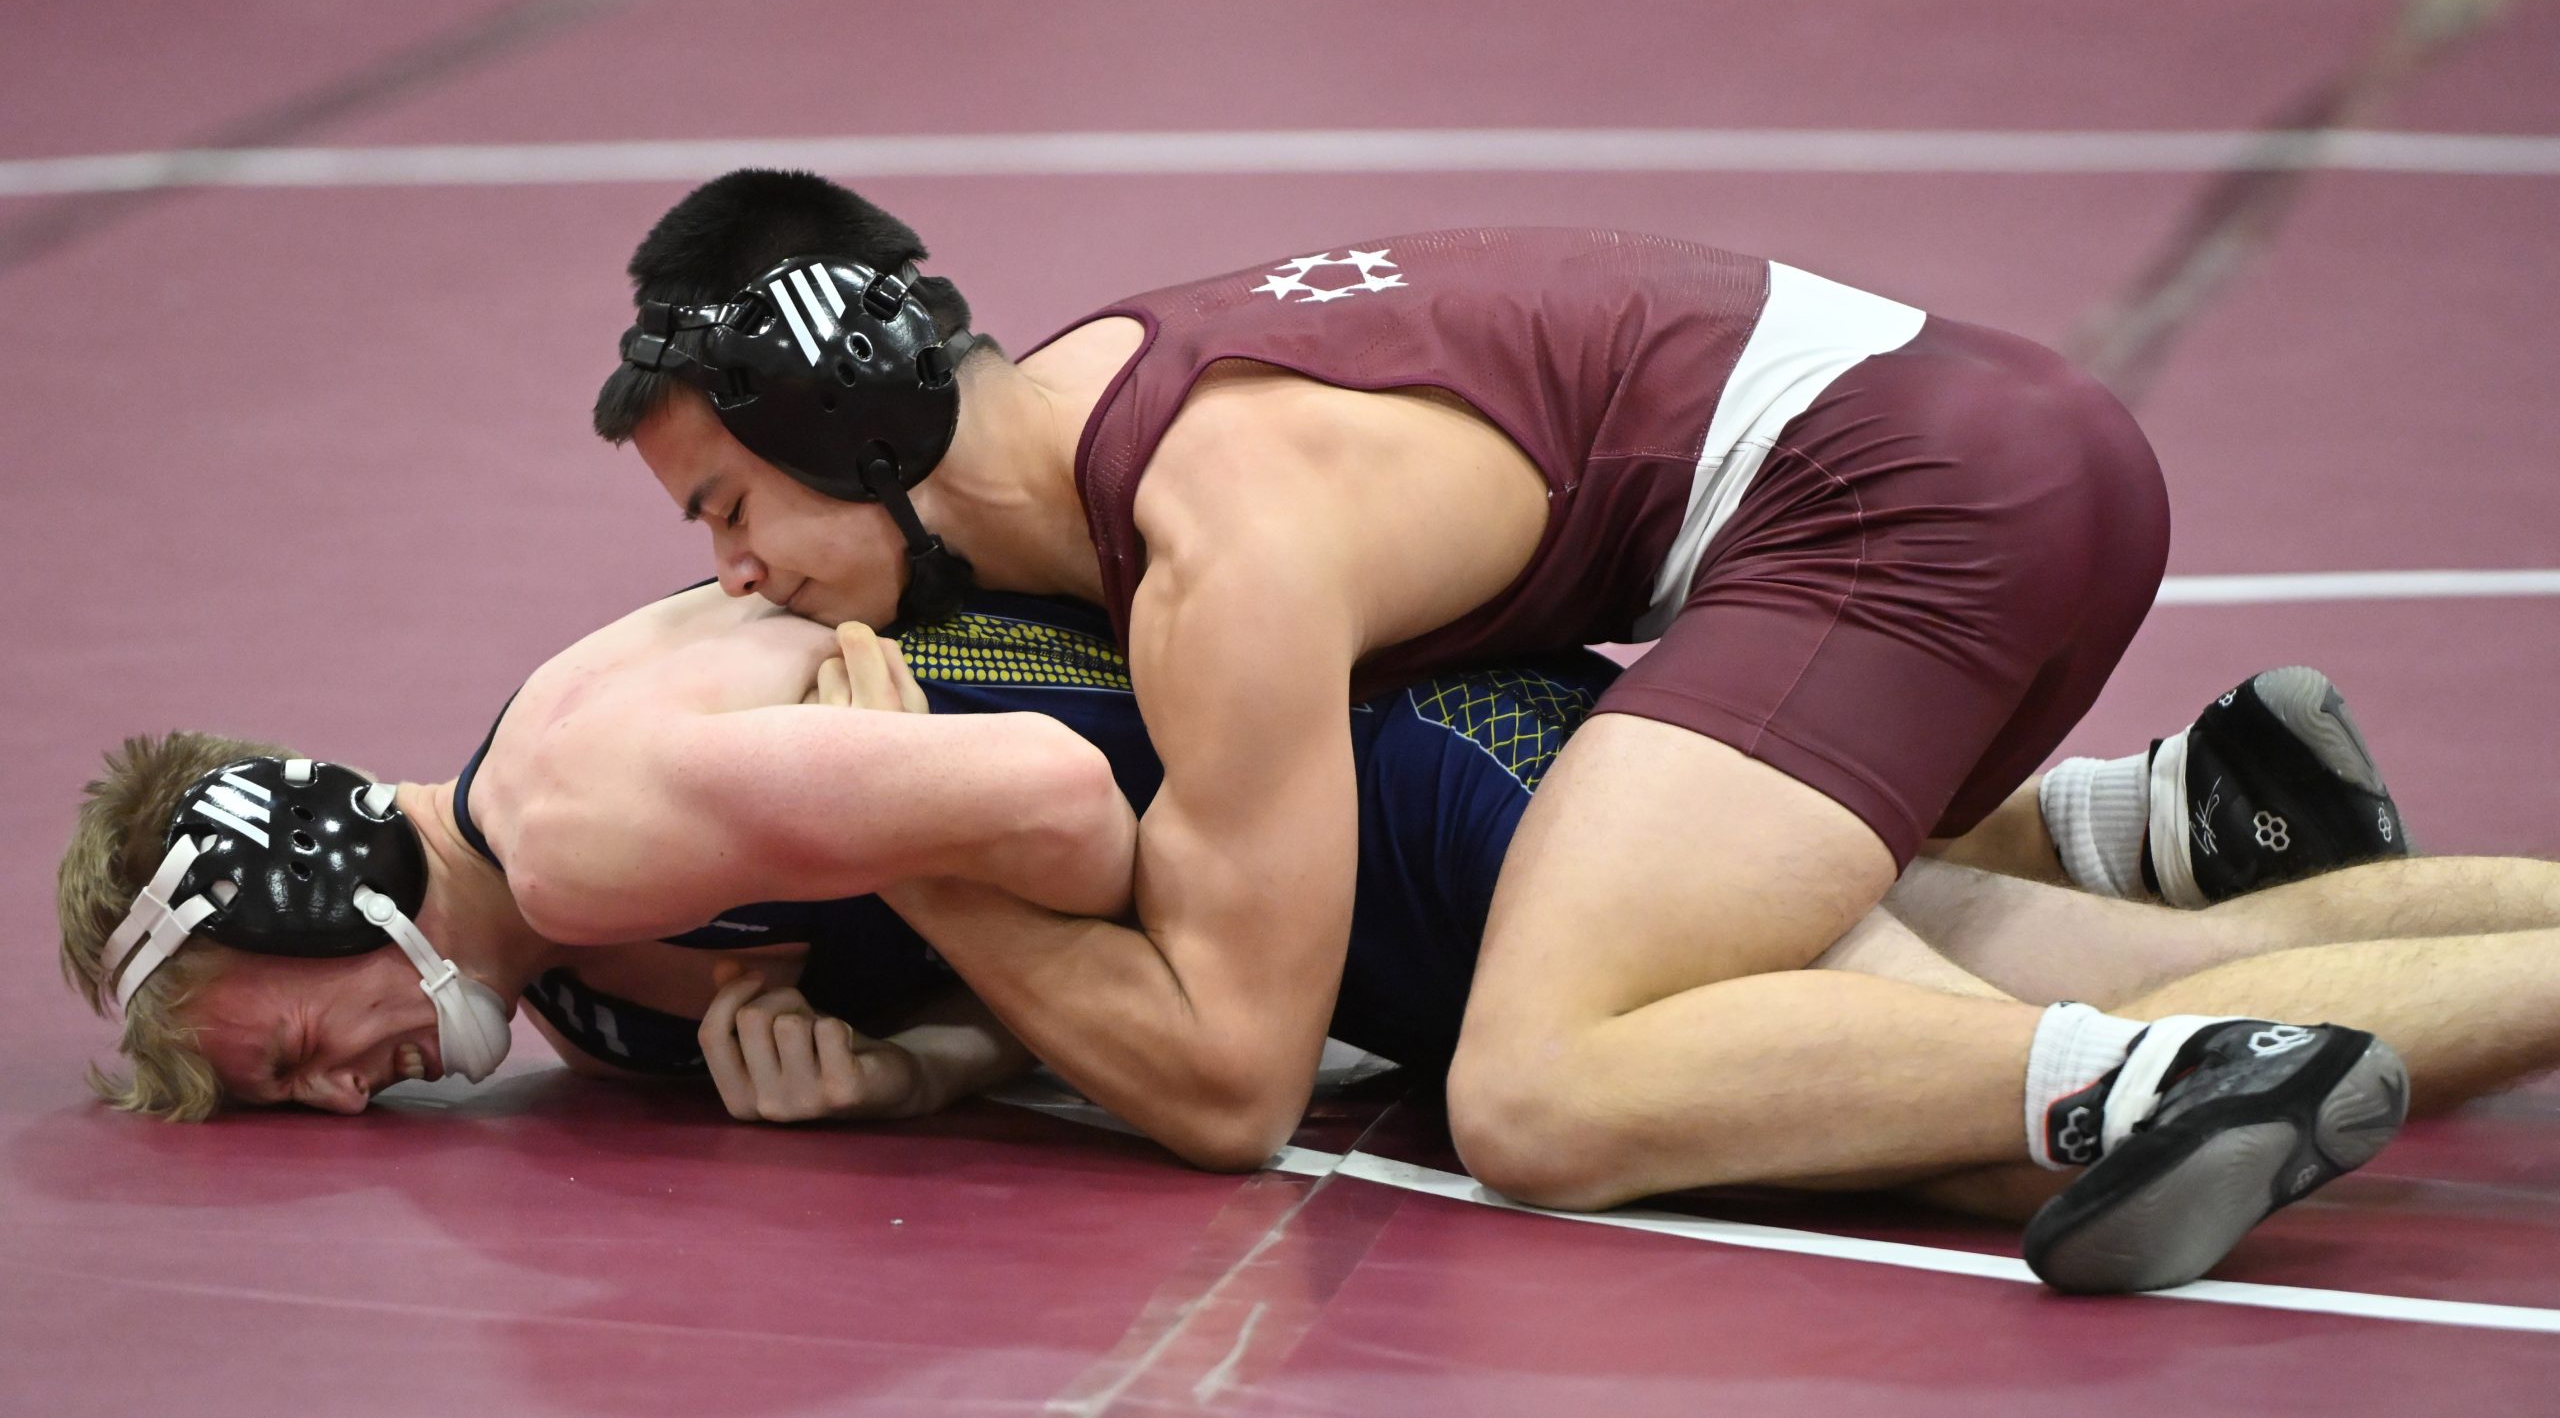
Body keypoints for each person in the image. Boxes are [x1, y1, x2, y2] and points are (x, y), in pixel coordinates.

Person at [595, 170, 2421, 1288]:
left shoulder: (1220, 548)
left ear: (849, 434)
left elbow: (1238, 1090)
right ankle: (2178, 818)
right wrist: (930, 1063)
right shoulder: (1093, 437)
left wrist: (902, 835)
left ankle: (2170, 1074)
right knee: (1779, 947)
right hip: (1984, 460)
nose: (738, 575)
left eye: (728, 510)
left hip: (1907, 502)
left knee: (1544, 1085)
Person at [65, 576, 2504, 1291]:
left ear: (293, 871)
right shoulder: (591, 981)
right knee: (2006, 997)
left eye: (280, 1046)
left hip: (1414, 833)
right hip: (1394, 814)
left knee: (2047, 1088)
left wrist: (910, 901)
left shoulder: (588, 793)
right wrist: (896, 1076)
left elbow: (1035, 801)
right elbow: (1031, 965)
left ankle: (2143, 898)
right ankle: (2148, 826)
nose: (329, 1091)